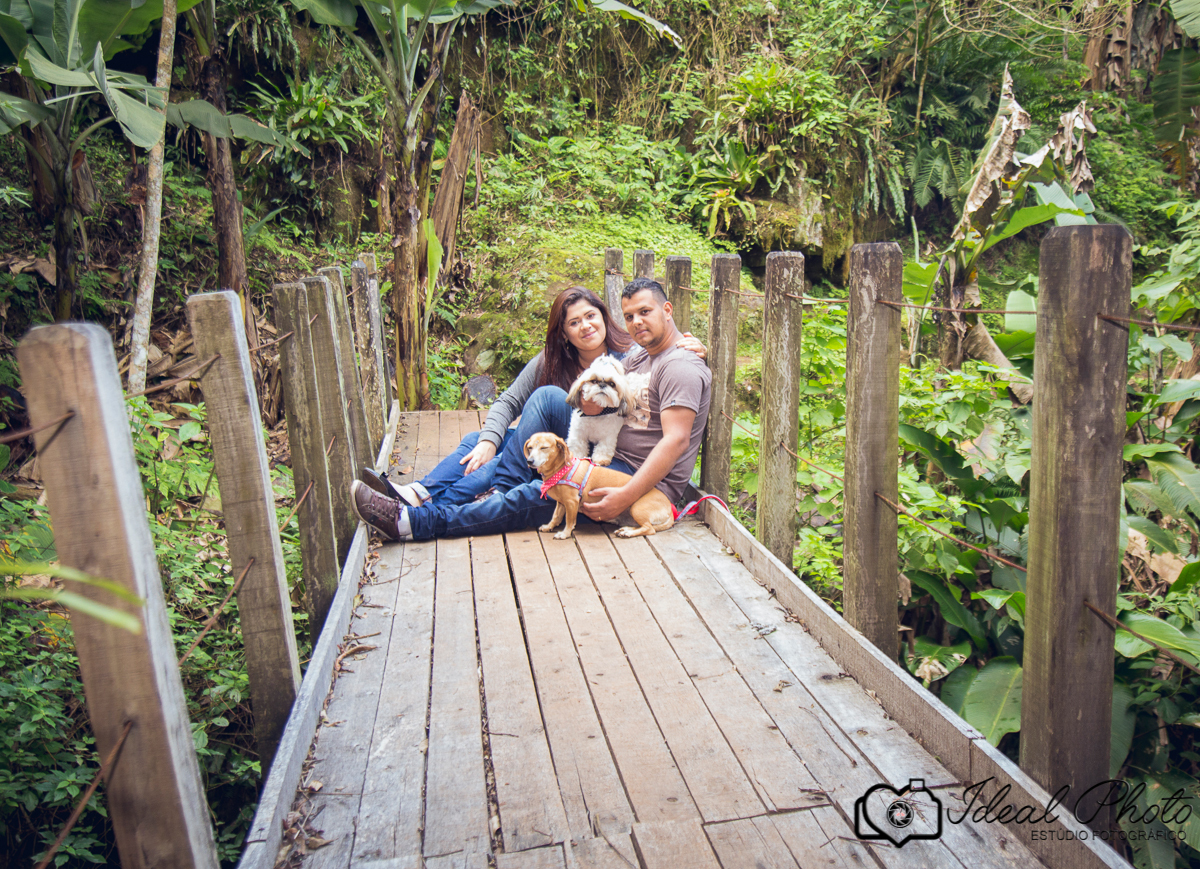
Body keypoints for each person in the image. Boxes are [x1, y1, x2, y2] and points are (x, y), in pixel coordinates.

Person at [351, 277, 712, 541]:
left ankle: (413, 522)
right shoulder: (638, 355)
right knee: (540, 401)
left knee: (535, 494)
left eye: (645, 313)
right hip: (601, 450)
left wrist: (626, 497)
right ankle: (432, 494)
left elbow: (676, 441)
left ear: (667, 310)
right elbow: (515, 399)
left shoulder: (679, 366)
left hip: (630, 475)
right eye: (630, 316)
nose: (636, 323)